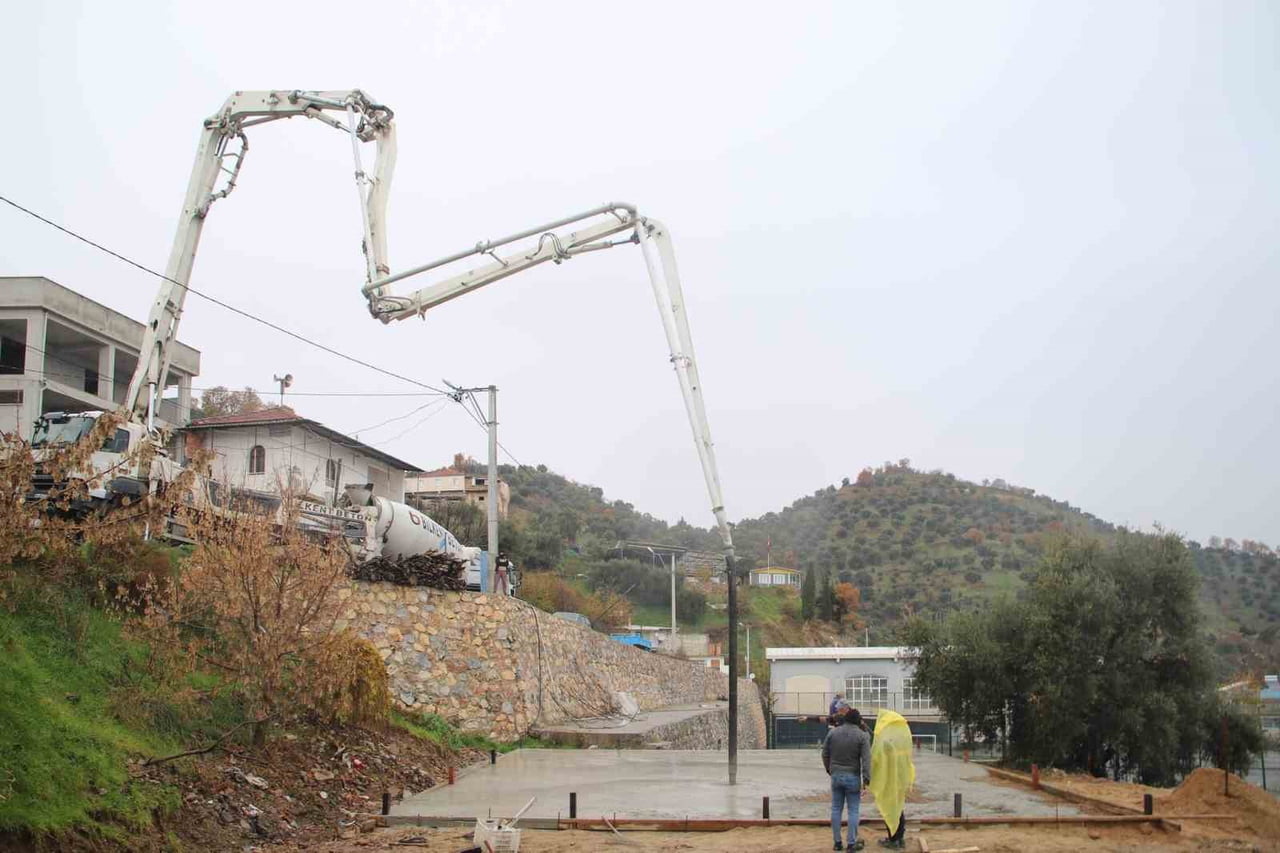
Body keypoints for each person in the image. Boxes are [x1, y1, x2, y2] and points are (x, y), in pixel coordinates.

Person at [822, 701, 871, 851]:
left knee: (836, 809)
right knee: (853, 810)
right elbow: (866, 760)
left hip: (836, 775)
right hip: (853, 776)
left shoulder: (833, 732)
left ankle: (837, 843)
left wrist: (829, 770)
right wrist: (866, 780)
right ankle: (851, 843)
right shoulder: (863, 736)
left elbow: (824, 753)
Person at [868, 710, 916, 850]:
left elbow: (876, 759)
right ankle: (899, 838)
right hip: (900, 781)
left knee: (890, 810)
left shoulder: (885, 745)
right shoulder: (899, 746)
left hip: (889, 783)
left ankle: (893, 839)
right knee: (898, 808)